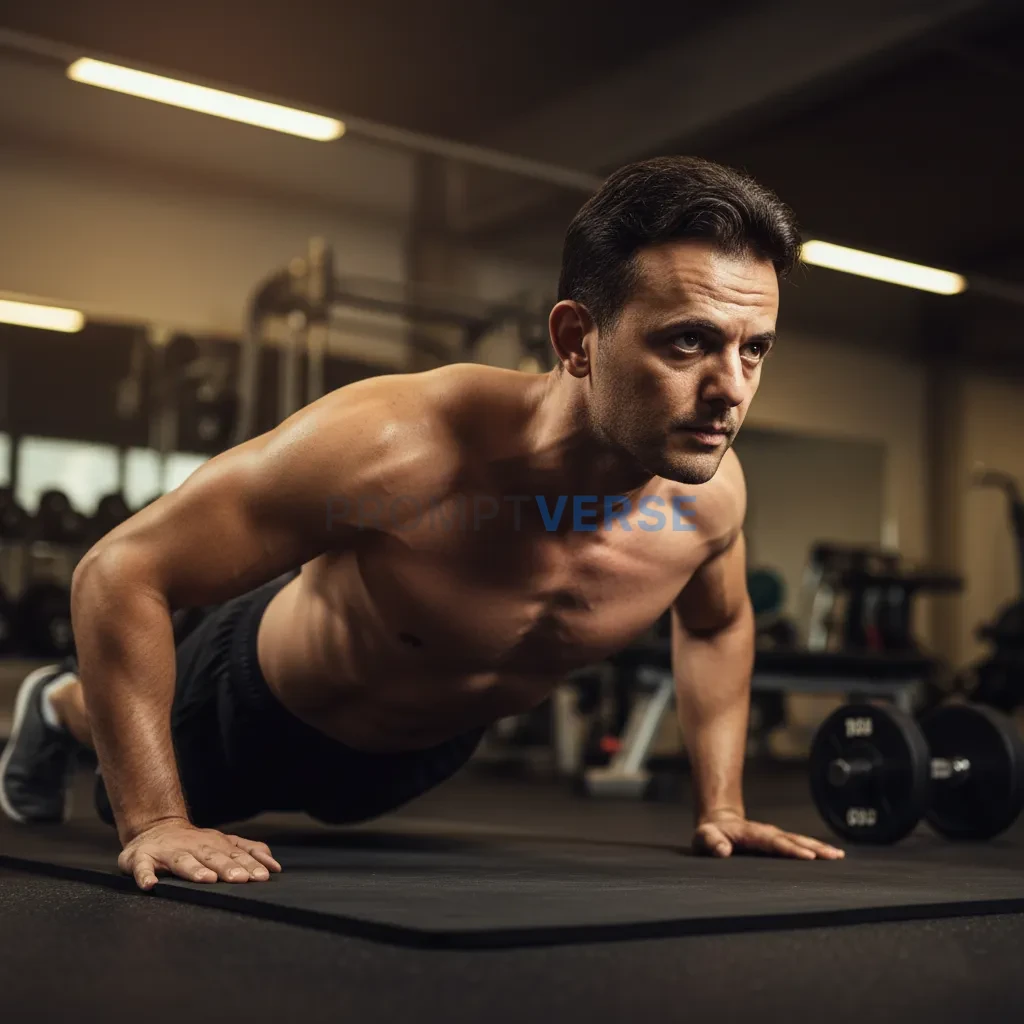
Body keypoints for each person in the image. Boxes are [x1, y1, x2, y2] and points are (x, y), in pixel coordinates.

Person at [0, 155, 844, 890]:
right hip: (255, 709)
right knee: (128, 787)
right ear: (578, 339)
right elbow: (119, 571)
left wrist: (723, 804)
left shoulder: (712, 501)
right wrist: (153, 820)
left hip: (421, 761)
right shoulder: (398, 446)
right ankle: (57, 705)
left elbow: (720, 623)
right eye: (689, 343)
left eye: (754, 348)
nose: (732, 388)